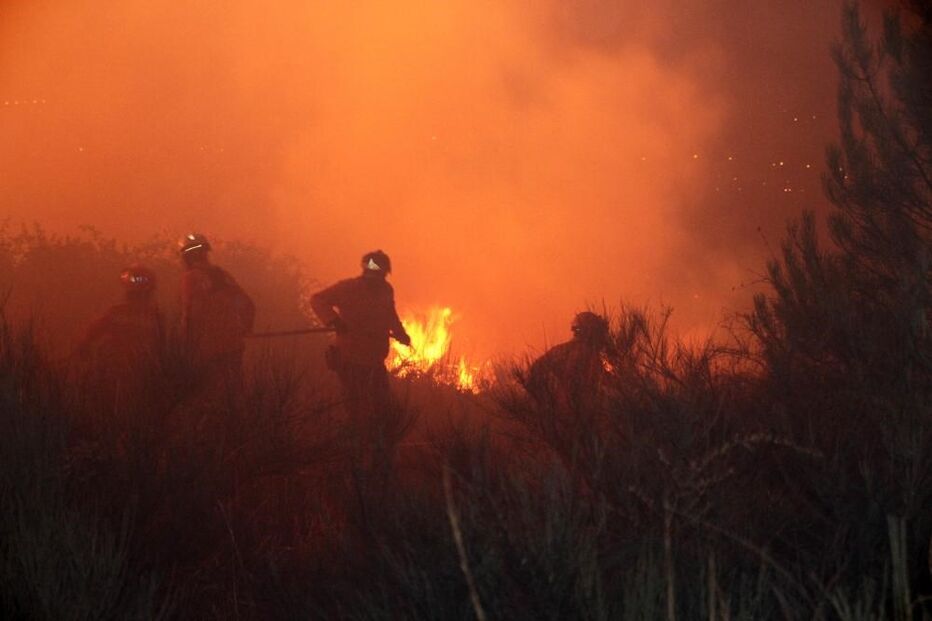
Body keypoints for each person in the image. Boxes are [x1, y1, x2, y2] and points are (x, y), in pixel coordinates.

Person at [310, 250, 412, 475]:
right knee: (356, 410)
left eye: (380, 274)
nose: (377, 278)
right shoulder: (348, 288)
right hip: (349, 360)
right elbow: (317, 300)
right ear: (366, 271)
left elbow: (390, 315)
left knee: (383, 409)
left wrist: (400, 333)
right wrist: (334, 320)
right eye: (374, 273)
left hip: (374, 361)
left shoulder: (386, 290)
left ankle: (377, 455)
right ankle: (352, 457)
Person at [73, 264, 163, 412]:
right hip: (140, 377)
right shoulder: (156, 317)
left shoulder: (117, 312)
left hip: (116, 375)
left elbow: (90, 335)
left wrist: (83, 348)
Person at [178, 233, 255, 391]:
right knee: (235, 392)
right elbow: (246, 304)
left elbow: (191, 314)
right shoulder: (223, 276)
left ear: (185, 257)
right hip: (233, 346)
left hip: (205, 351)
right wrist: (245, 328)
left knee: (208, 394)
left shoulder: (190, 279)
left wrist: (183, 345)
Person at [526, 311, 614, 409]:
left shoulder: (558, 351)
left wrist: (547, 402)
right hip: (589, 410)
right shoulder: (596, 356)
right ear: (593, 332)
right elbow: (611, 383)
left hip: (562, 411)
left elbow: (532, 375)